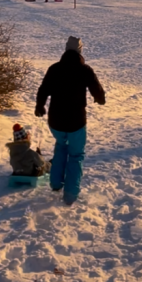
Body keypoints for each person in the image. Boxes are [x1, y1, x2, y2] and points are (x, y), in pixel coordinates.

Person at [35, 36, 106, 205]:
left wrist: (40, 106)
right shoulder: (85, 70)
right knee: (75, 155)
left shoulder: (54, 69)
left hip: (56, 121)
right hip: (76, 122)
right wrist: (100, 98)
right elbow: (97, 89)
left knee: (61, 147)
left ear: (66, 49)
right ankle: (70, 195)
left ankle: (55, 184)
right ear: (80, 51)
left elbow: (43, 89)